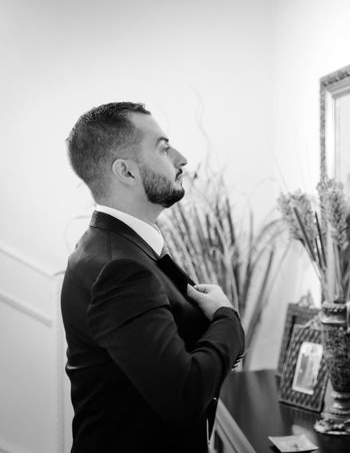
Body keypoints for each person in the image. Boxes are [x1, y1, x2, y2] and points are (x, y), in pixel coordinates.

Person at [61, 102, 245, 453]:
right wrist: (227, 318)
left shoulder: (114, 246)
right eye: (163, 147)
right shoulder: (120, 269)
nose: (181, 158)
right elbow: (184, 394)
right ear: (126, 172)